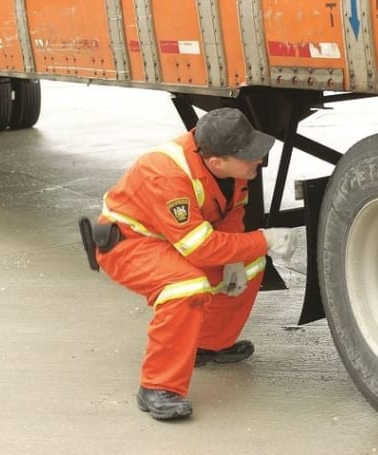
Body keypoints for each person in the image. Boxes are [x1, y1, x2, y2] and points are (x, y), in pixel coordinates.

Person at [91, 107, 296, 420]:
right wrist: (264, 239)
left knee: (250, 260)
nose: (259, 159)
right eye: (251, 155)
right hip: (130, 245)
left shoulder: (230, 168)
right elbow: (201, 248)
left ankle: (208, 344)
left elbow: (230, 216)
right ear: (217, 162)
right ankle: (157, 387)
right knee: (184, 287)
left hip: (175, 241)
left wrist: (236, 258)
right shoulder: (166, 173)